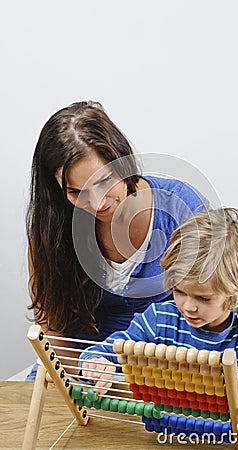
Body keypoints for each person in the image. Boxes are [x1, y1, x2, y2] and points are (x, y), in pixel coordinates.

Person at [26, 100, 209, 380]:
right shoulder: (51, 228)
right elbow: (52, 328)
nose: (97, 203)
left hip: (166, 370)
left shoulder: (181, 208)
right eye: (77, 192)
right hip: (83, 369)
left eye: (104, 181)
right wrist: (86, 376)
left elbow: (225, 299)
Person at [79, 208, 238, 412]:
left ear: (236, 292)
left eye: (203, 298)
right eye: (179, 291)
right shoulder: (158, 320)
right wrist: (96, 364)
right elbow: (101, 352)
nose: (187, 306)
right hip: (163, 430)